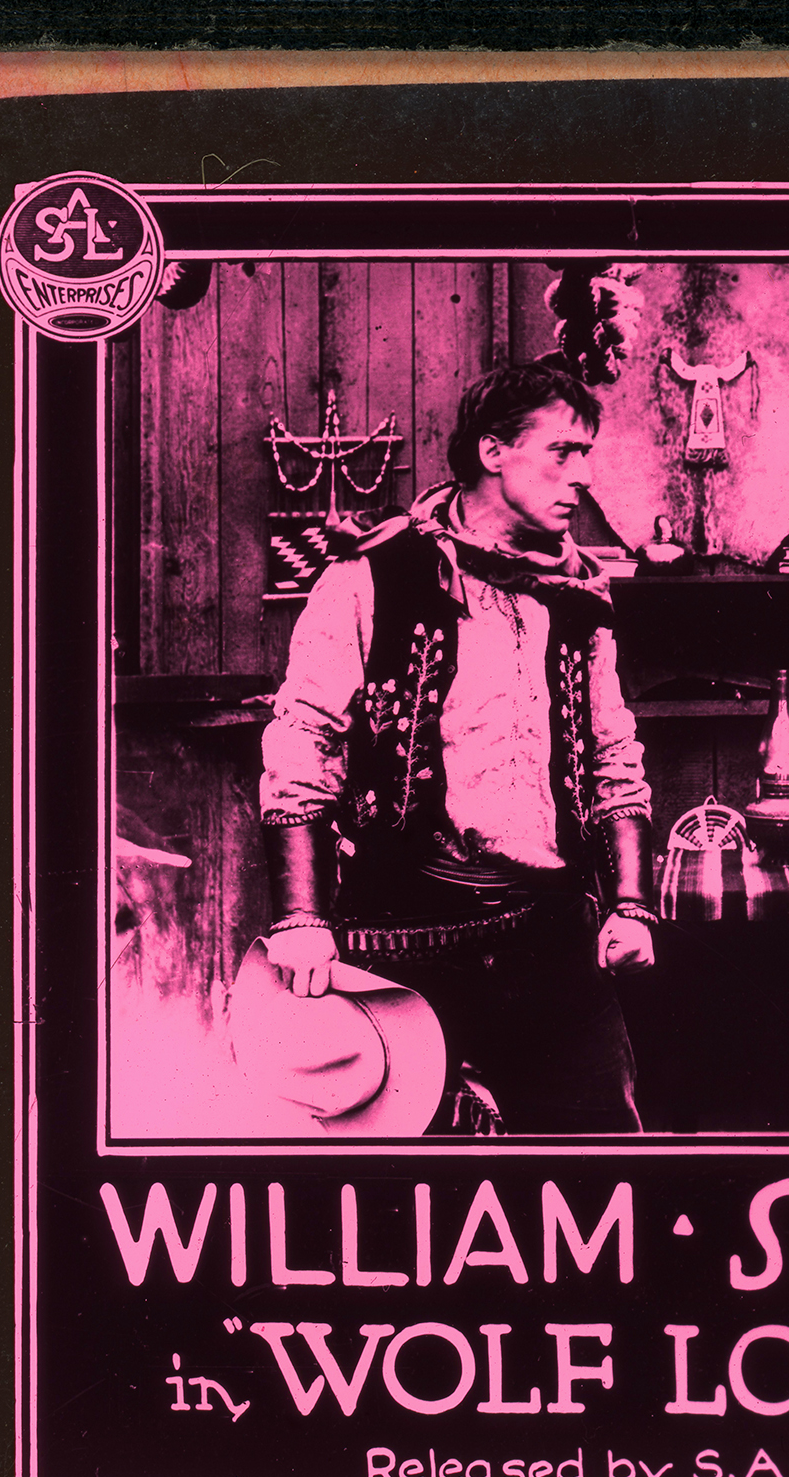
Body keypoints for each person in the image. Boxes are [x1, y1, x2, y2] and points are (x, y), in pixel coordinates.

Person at [255, 358, 657, 1134]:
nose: (582, 477)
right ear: (492, 451)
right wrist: (301, 918)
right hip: (406, 950)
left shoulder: (580, 595)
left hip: (553, 943)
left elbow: (613, 754)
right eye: (562, 452)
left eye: (586, 455)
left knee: (598, 1161)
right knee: (413, 1182)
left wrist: (631, 905)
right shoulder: (373, 575)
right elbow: (303, 740)